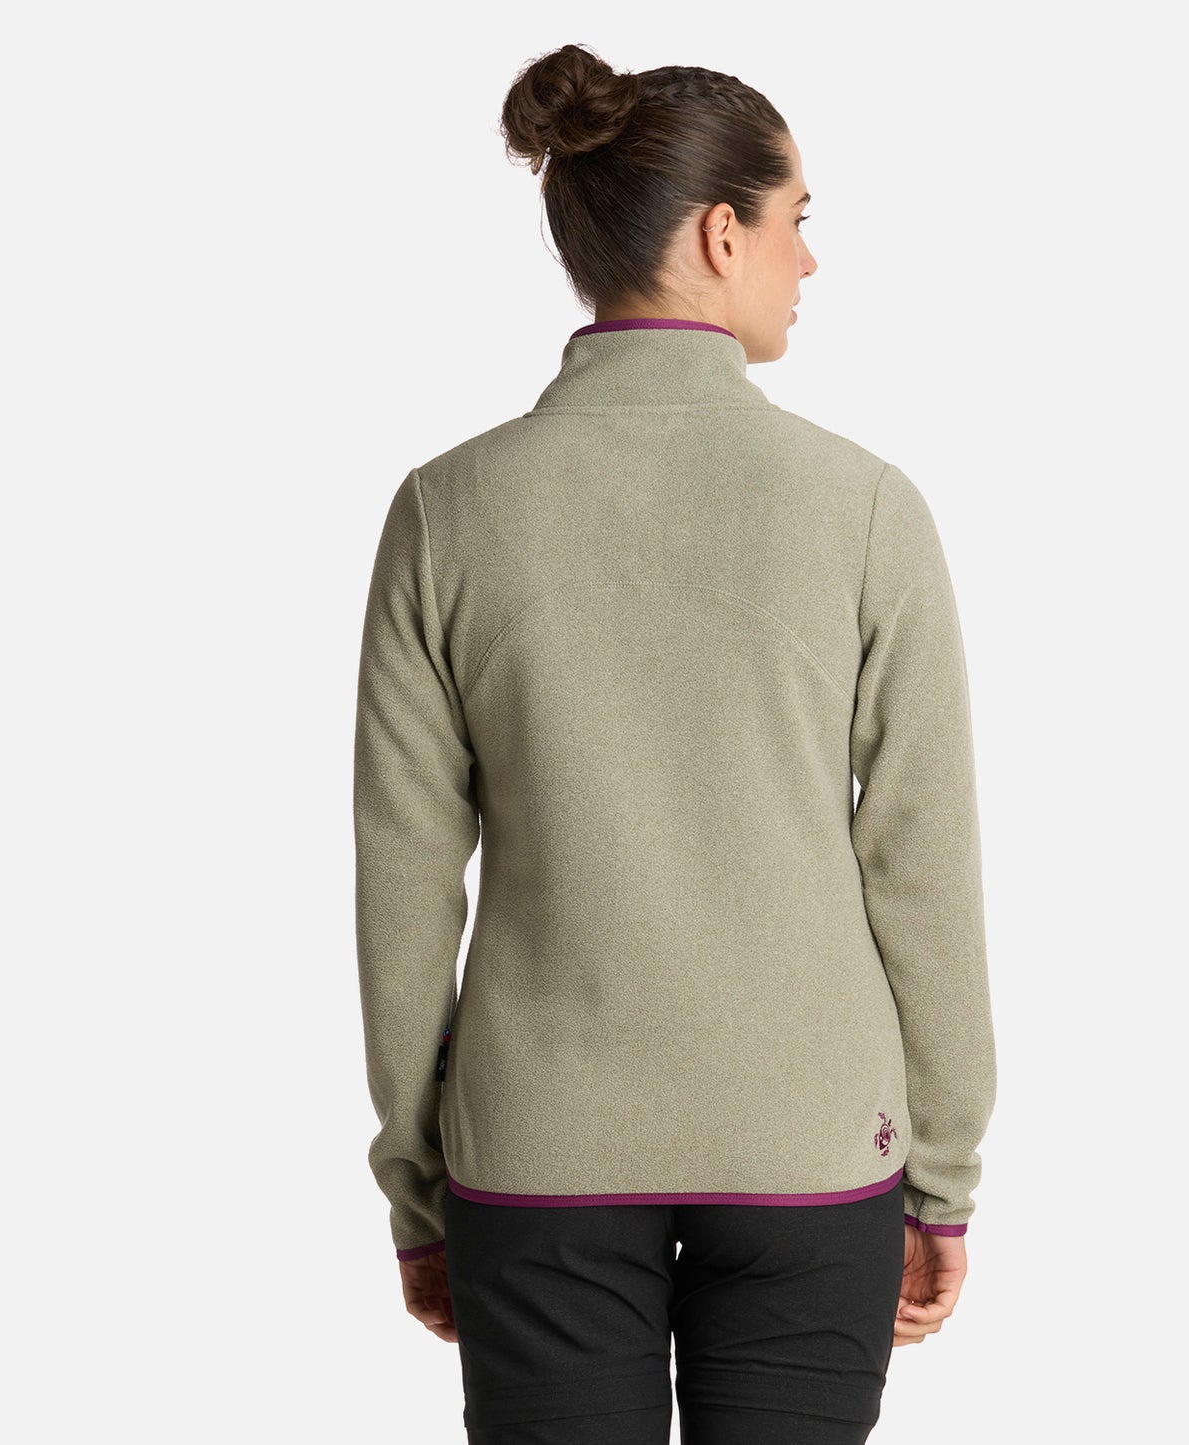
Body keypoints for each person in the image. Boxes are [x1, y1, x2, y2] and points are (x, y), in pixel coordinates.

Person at [352, 41, 998, 1445]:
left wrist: (419, 1188)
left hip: (537, 1152)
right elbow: (922, 865)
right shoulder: (864, 507)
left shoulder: (447, 510)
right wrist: (939, 1177)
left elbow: (404, 882)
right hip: (812, 1146)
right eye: (797, 221)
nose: (809, 261)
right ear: (720, 234)